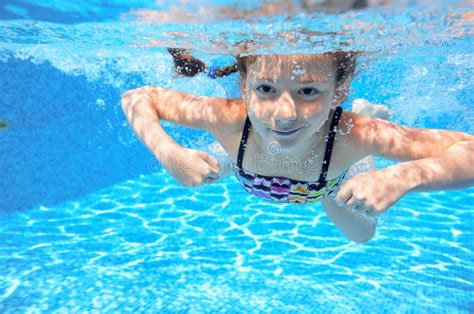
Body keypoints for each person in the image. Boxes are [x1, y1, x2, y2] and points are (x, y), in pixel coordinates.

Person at [121, 49, 474, 243]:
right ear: (245, 86)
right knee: (213, 163)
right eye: (265, 90)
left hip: (328, 184)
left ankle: (366, 159)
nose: (285, 114)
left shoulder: (356, 134)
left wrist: (402, 177)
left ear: (339, 91)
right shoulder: (230, 117)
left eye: (308, 91)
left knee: (361, 234)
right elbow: (139, 97)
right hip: (244, 164)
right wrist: (170, 154)